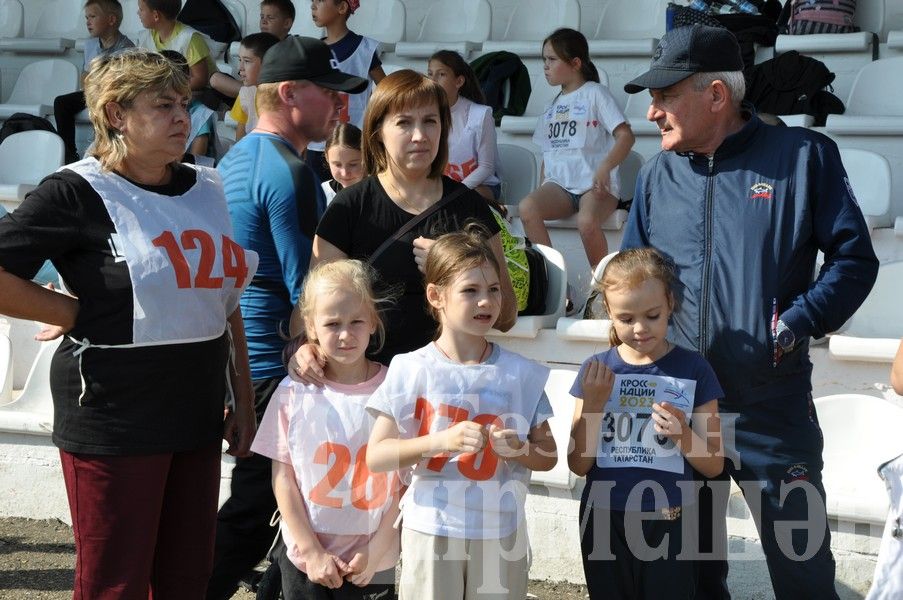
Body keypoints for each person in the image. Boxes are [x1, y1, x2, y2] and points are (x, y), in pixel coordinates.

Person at [620, 24, 879, 600]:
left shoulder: (806, 156)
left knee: (804, 575)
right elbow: (631, 281)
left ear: (716, 94)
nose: (652, 110)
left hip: (772, 408)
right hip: (677, 412)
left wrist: (796, 322)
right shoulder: (656, 174)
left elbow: (855, 261)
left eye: (665, 95)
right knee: (682, 581)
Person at [0, 48, 257, 599]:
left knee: (187, 578)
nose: (183, 118)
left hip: (195, 410)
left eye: (185, 104)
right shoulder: (74, 190)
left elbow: (225, 300)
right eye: (164, 105)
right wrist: (70, 312)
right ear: (116, 115)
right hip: (114, 416)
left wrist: (244, 398)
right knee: (114, 582)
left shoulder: (208, 187)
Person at [206, 35, 369, 600]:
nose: (340, 105)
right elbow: (312, 290)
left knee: (270, 508)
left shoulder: (236, 158)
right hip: (274, 362)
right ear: (291, 93)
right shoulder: (290, 171)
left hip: (240, 355)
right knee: (261, 508)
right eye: (330, 92)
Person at [366, 226, 557, 599]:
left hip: (501, 531)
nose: (485, 302)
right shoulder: (410, 368)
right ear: (436, 296)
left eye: (494, 289)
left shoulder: (522, 373)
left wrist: (519, 449)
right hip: (432, 527)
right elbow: (377, 456)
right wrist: (439, 441)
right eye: (470, 291)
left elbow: (548, 456)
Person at [290, 68, 517, 380]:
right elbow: (309, 316)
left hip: (448, 386)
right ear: (378, 132)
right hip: (369, 386)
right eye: (404, 123)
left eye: (430, 121)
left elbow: (505, 315)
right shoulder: (350, 208)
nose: (420, 135)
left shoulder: (470, 207)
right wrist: (307, 347)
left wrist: (454, 266)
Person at [568, 247, 724, 600]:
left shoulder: (694, 369)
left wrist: (683, 435)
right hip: (604, 516)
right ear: (608, 312)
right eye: (625, 318)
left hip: (669, 515)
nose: (640, 328)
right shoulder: (595, 370)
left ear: (670, 303)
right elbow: (578, 464)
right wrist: (592, 406)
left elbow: (714, 464)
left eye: (652, 315)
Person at [253, 259, 401, 599]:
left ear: (374, 321)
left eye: (356, 321)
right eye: (332, 323)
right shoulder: (292, 392)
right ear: (311, 326)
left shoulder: (397, 389)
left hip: (372, 561)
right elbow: (283, 478)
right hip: (306, 559)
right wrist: (311, 550)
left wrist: (377, 550)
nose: (346, 334)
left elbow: (404, 482)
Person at [518, 27, 635, 314]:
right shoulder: (551, 105)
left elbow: (626, 136)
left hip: (596, 187)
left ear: (575, 63)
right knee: (528, 207)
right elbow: (548, 153)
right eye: (543, 60)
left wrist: (606, 167)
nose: (545, 66)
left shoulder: (595, 93)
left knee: (586, 222)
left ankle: (604, 292)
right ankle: (557, 287)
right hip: (561, 187)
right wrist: (545, 182)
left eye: (552, 60)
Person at [306, 0, 386, 183]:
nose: (313, 6)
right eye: (312, 2)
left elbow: (387, 89)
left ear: (342, 7)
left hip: (354, 145)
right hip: (317, 146)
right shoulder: (311, 50)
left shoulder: (364, 48)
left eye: (319, 1)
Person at [53, 0, 134, 164]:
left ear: (111, 20)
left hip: (112, 96)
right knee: (61, 103)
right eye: (86, 17)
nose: (88, 22)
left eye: (93, 16)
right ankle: (69, 155)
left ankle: (105, 151)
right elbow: (85, 75)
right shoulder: (90, 44)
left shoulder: (126, 48)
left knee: (106, 106)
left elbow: (122, 83)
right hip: (93, 92)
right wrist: (90, 88)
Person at [427, 49, 502, 201]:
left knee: (464, 200)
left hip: (480, 187)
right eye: (430, 74)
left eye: (441, 74)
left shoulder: (481, 114)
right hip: (442, 188)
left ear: (459, 81)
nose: (433, 80)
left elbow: (486, 168)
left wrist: (454, 193)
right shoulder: (425, 115)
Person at [136, 0, 217, 93]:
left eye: (141, 9)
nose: (138, 12)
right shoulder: (147, 37)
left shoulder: (190, 38)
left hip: (200, 93)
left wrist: (167, 90)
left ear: (156, 16)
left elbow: (200, 80)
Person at [214, 32, 279, 141]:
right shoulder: (246, 94)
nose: (240, 68)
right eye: (240, 60)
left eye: (247, 61)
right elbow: (240, 138)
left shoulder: (285, 97)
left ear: (268, 64)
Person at [321, 122, 364, 204]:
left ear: (366, 157)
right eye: (337, 165)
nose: (344, 173)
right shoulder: (322, 193)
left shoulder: (380, 193)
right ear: (327, 158)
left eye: (353, 164)